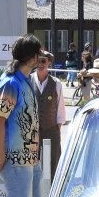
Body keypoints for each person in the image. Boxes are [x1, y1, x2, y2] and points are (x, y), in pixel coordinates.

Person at [0, 35, 44, 197]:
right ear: (33, 57)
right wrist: (0, 157)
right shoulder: (10, 82)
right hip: (15, 159)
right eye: (39, 54)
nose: (41, 58)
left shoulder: (25, 80)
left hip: (30, 158)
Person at [34, 51, 67, 183]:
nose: (40, 64)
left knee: (51, 169)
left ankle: (50, 193)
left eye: (43, 61)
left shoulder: (56, 83)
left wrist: (55, 129)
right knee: (32, 169)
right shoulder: (28, 80)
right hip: (32, 133)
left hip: (51, 131)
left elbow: (60, 110)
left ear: (49, 63)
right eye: (38, 61)